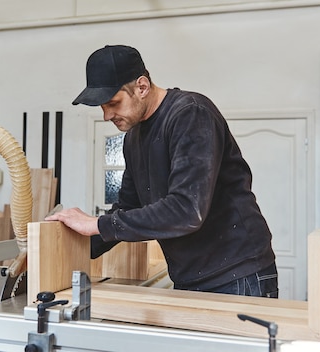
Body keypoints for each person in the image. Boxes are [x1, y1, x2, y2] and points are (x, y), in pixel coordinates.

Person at [45, 44, 278, 297]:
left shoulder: (190, 114)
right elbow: (129, 207)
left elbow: (187, 210)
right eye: (102, 107)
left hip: (237, 274)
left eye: (113, 103)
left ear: (142, 87)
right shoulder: (133, 138)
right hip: (189, 275)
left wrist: (98, 224)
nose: (107, 115)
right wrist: (71, 243)